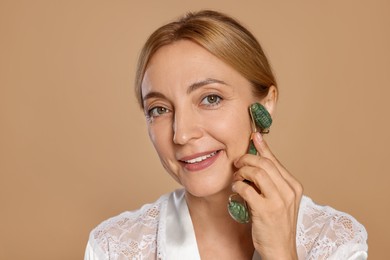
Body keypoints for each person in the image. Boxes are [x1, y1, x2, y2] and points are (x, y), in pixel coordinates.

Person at [84, 10, 368, 259]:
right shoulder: (114, 247)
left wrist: (282, 254)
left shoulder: (333, 242)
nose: (181, 134)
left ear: (265, 105)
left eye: (210, 99)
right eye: (159, 110)